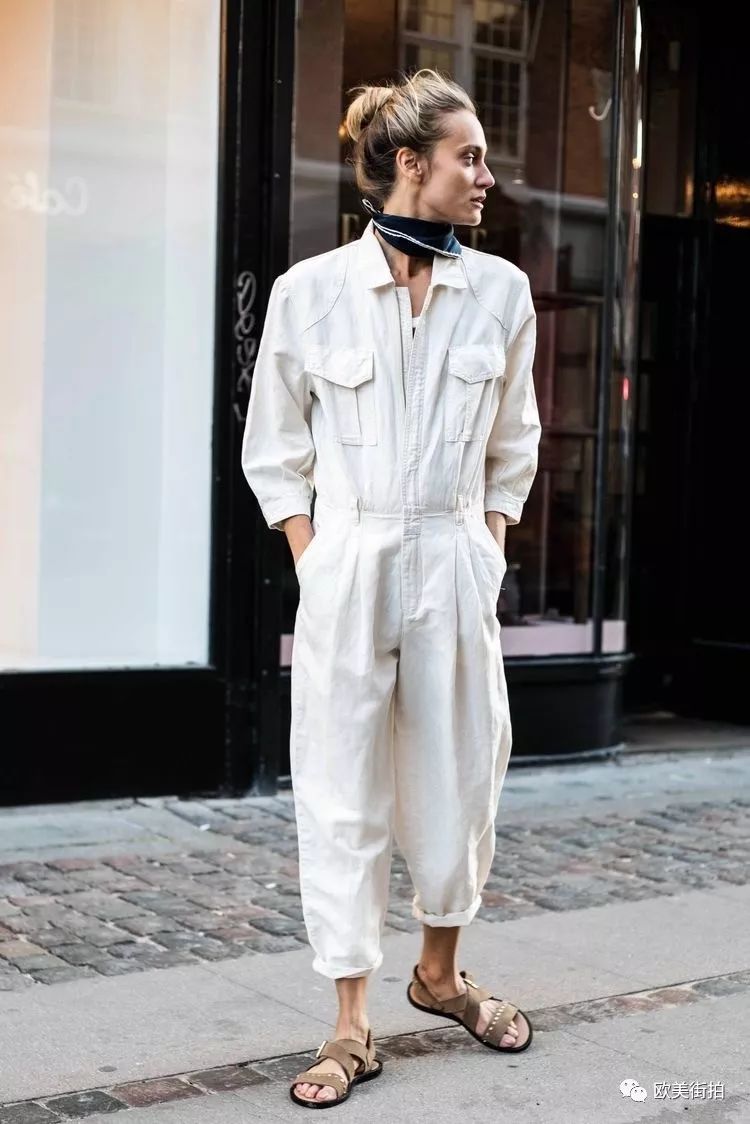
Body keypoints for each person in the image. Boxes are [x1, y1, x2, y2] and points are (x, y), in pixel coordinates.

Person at [241, 68, 542, 1109]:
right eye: (470, 157)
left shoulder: (500, 292)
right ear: (410, 164)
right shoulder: (311, 292)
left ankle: (441, 977)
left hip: (454, 562)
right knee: (341, 791)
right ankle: (350, 1023)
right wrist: (316, 557)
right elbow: (274, 448)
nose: (486, 176)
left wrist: (486, 548)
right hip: (352, 565)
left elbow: (514, 445)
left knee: (462, 777)